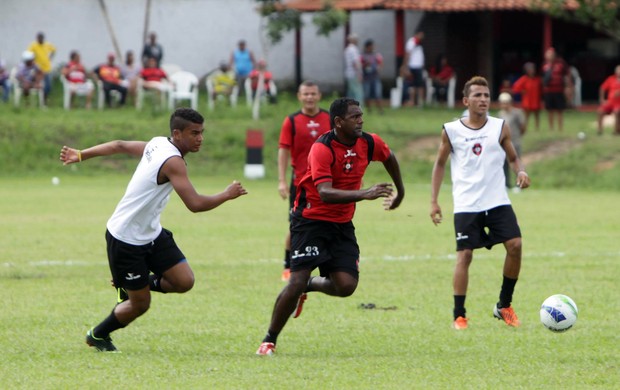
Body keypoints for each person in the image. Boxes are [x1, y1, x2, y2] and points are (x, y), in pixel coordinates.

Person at [59, 108, 248, 352]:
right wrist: (227, 194)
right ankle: (98, 334)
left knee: (184, 281)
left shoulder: (159, 143)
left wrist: (82, 154)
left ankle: (130, 282)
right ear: (177, 134)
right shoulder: (173, 161)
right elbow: (195, 205)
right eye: (194, 133)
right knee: (140, 305)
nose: (200, 138)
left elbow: (120, 145)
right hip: (125, 239)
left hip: (151, 233)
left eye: (202, 132)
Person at [256, 97, 405, 356]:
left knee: (346, 286)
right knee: (295, 280)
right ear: (338, 122)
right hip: (310, 219)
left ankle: (310, 286)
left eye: (361, 115)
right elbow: (324, 192)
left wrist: (400, 193)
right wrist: (364, 193)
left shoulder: (369, 142)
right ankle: (269, 339)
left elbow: (389, 157)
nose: (360, 120)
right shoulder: (322, 148)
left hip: (342, 223)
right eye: (354, 117)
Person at [430, 76, 531, 331]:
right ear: (466, 100)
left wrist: (520, 171)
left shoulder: (500, 127)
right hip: (466, 204)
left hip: (497, 201)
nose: (483, 100)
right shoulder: (451, 130)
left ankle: (504, 305)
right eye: (477, 96)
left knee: (516, 245)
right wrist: (434, 201)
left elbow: (513, 158)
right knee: (464, 255)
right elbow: (440, 164)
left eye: (486, 95)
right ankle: (459, 315)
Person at [277, 81, 331, 281]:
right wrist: (282, 180)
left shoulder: (330, 119)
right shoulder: (291, 121)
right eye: (305, 94)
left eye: (313, 93)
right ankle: (287, 265)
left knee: (331, 222)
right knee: (296, 225)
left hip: (327, 183)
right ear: (299, 96)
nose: (309, 97)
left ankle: (330, 262)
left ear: (319, 96)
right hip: (300, 184)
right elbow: (283, 150)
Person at [498, 92, 526, 189]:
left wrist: (518, 136)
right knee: (504, 163)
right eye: (502, 103)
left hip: (515, 141)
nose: (504, 105)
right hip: (503, 143)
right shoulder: (500, 114)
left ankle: (519, 184)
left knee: (517, 162)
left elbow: (522, 127)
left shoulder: (517, 113)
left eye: (506, 102)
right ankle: (506, 184)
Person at [541, 48, 570, 131]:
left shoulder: (561, 64)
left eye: (550, 54)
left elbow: (566, 75)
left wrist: (568, 87)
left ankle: (560, 128)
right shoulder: (544, 65)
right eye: (547, 55)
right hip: (548, 91)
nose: (548, 56)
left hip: (559, 90)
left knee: (560, 110)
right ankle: (551, 128)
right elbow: (542, 78)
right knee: (550, 110)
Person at [512, 62, 542, 132]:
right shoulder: (524, 79)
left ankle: (537, 129)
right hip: (527, 102)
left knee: (537, 116)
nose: (531, 71)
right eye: (529, 69)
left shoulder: (537, 79)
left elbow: (540, 90)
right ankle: (524, 129)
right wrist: (522, 91)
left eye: (532, 69)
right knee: (526, 117)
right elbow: (515, 87)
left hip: (536, 101)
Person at [27, 32, 55, 103]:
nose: (40, 40)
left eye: (41, 39)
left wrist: (50, 58)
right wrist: (33, 61)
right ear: (37, 39)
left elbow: (54, 50)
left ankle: (45, 98)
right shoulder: (33, 45)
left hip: (47, 68)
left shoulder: (47, 44)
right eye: (39, 39)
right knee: (38, 84)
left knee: (48, 86)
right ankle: (40, 101)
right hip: (38, 69)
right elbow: (28, 54)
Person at [401, 30, 425, 107]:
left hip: (419, 66)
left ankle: (420, 102)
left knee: (419, 84)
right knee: (413, 85)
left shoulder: (419, 43)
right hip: (413, 66)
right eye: (421, 35)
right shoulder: (411, 42)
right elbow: (407, 54)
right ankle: (412, 102)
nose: (422, 37)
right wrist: (406, 67)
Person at [361, 39, 384, 114]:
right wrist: (365, 65)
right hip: (366, 78)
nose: (372, 47)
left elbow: (381, 63)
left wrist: (378, 68)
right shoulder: (363, 56)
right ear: (367, 47)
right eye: (371, 46)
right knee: (367, 95)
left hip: (375, 77)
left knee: (378, 94)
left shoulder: (376, 55)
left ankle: (380, 110)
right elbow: (360, 65)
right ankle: (369, 110)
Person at [597, 65, 620, 135]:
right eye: (618, 70)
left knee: (617, 112)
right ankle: (600, 130)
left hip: (618, 103)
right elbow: (602, 88)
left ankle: (616, 131)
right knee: (600, 111)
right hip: (611, 102)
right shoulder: (611, 79)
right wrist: (602, 99)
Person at [344, 33, 363, 104]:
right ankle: (358, 108)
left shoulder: (347, 49)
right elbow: (355, 63)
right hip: (354, 73)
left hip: (349, 73)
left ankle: (349, 107)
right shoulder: (353, 49)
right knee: (358, 92)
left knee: (351, 92)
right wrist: (359, 73)